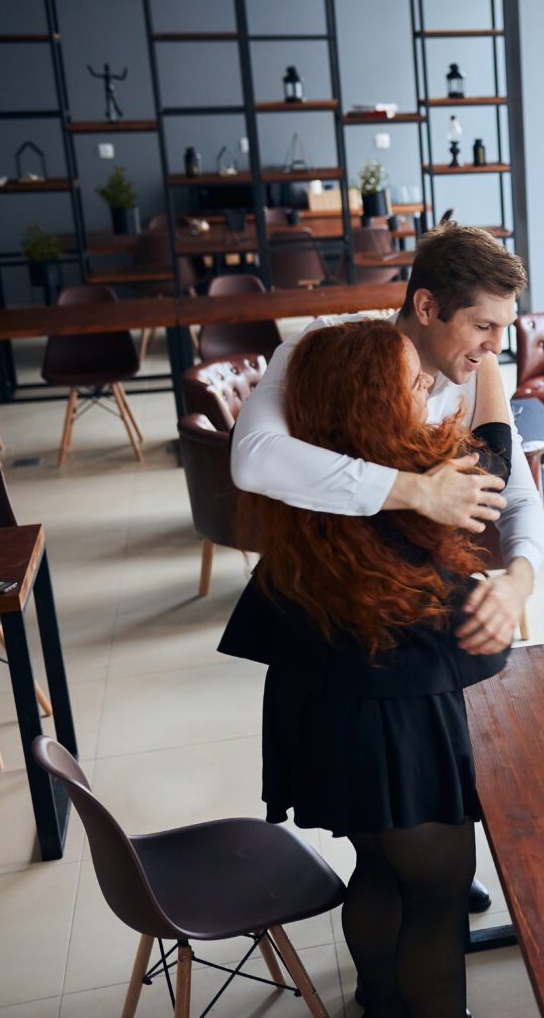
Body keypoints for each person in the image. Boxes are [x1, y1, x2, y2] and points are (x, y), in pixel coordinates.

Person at [221, 319, 512, 1017]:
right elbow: (493, 459)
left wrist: (476, 350)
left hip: (313, 720)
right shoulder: (422, 490)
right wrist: (488, 368)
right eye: (413, 380)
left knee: (378, 867)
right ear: (371, 400)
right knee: (439, 895)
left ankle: (380, 1003)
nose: (431, 390)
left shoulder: (310, 496)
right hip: (393, 731)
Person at [231, 222, 544, 657]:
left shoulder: (476, 369)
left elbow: (517, 494)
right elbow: (252, 459)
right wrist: (417, 492)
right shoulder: (327, 347)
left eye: (504, 327)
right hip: (326, 607)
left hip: (415, 604)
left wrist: (518, 580)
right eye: (483, 325)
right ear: (427, 306)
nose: (497, 345)